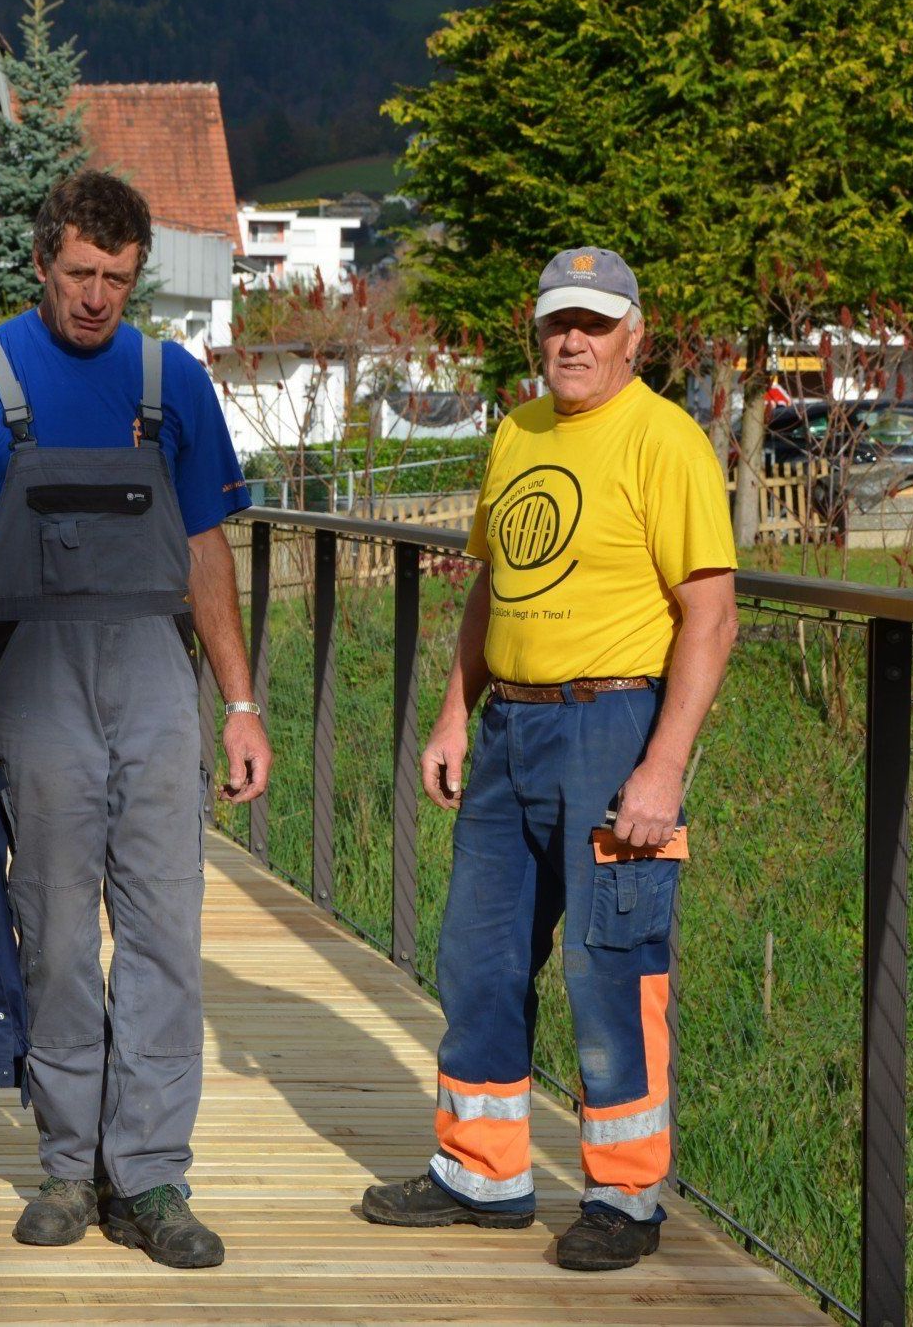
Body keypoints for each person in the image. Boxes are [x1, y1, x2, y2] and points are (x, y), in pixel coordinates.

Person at [0, 171, 272, 1270]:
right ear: (41, 262)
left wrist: (241, 702)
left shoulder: (174, 381)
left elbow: (207, 545)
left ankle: (153, 1175)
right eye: (79, 273)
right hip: (32, 678)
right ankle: (70, 1165)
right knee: (57, 933)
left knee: (164, 930)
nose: (96, 298)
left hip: (156, 677)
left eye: (117, 278)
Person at [361, 248, 739, 1272]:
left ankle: (624, 1195)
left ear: (633, 336)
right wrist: (452, 712)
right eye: (554, 324)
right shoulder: (517, 433)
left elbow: (709, 615)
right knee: (476, 957)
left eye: (592, 323)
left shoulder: (665, 441)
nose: (570, 341)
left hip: (612, 725)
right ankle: (480, 1174)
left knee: (609, 967)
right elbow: (489, 586)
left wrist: (661, 767)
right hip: (507, 731)